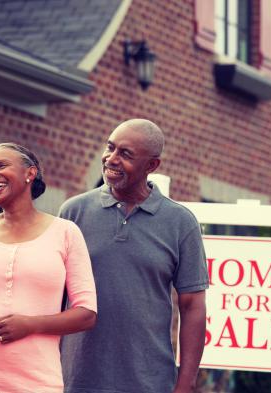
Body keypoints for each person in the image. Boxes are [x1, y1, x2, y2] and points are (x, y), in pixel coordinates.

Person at [59, 119, 209, 393]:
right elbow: (54, 297)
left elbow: (193, 307)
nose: (111, 159)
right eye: (110, 148)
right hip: (76, 379)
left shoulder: (180, 222)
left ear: (152, 166)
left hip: (149, 382)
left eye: (125, 154)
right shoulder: (74, 212)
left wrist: (186, 383)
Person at [0, 142, 97, 393]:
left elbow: (87, 314)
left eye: (1, 166)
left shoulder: (66, 233)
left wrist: (30, 324)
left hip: (36, 381)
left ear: (30, 173)